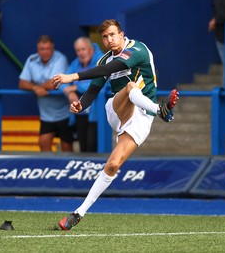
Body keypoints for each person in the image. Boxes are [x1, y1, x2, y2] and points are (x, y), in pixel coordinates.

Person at [51, 19, 179, 230]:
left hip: (141, 117)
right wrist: (80, 106)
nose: (109, 40)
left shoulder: (137, 49)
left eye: (112, 35)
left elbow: (117, 65)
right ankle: (160, 110)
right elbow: (92, 91)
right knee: (129, 88)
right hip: (117, 109)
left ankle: (78, 213)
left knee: (112, 165)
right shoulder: (104, 61)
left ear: (121, 34)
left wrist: (72, 77)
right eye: (104, 37)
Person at [18, 35, 73, 152]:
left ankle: (65, 170)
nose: (45, 52)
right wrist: (35, 88)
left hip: (64, 113)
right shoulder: (32, 59)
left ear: (53, 48)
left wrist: (37, 87)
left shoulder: (60, 58)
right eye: (42, 49)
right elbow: (22, 83)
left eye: (48, 49)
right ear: (38, 50)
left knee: (67, 147)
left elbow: (54, 82)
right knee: (43, 143)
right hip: (46, 115)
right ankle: (49, 169)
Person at [63, 37, 104, 152]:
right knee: (83, 148)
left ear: (91, 49)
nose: (80, 53)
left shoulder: (101, 60)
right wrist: (70, 92)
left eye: (83, 49)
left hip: (97, 113)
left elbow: (100, 82)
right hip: (80, 112)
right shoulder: (76, 63)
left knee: (94, 148)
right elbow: (62, 81)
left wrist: (76, 87)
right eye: (78, 50)